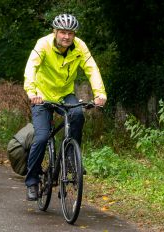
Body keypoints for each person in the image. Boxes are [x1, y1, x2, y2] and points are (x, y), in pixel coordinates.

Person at [23, 13, 107, 201]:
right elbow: (31, 68)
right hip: (41, 96)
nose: (66, 37)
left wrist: (100, 93)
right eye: (62, 32)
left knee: (77, 114)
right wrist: (31, 92)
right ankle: (32, 181)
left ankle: (70, 159)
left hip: (64, 95)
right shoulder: (43, 44)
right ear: (55, 32)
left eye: (70, 33)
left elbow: (92, 68)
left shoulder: (80, 47)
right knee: (43, 136)